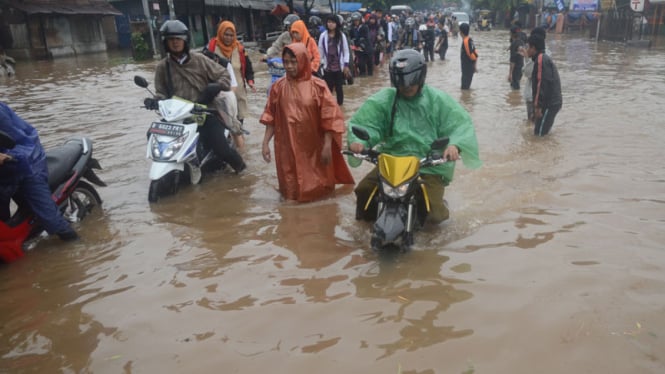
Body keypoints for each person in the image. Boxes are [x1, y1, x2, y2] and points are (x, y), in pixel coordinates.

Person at [347, 49, 481, 223]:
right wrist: (359, 141)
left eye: (411, 83)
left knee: (434, 214)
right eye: (402, 84)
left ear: (421, 77)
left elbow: (459, 125)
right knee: (364, 191)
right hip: (391, 164)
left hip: (426, 165)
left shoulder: (437, 100)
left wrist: (454, 145)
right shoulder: (386, 100)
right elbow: (368, 123)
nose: (407, 87)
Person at [260, 43, 354, 202]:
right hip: (287, 146)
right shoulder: (278, 87)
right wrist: (265, 143)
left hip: (314, 146)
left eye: (293, 62)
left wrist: (327, 145)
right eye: (286, 62)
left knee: (320, 187)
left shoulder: (318, 86)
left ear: (303, 60)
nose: (289, 66)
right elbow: (271, 117)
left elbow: (330, 117)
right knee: (290, 186)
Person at [153, 20, 245, 173]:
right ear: (165, 43)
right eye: (171, 39)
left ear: (185, 40)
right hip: (178, 118)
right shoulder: (162, 67)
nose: (175, 43)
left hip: (205, 113)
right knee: (154, 137)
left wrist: (216, 86)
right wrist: (154, 101)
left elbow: (224, 75)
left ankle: (241, 170)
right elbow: (160, 92)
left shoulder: (200, 60)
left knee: (222, 149)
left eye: (178, 39)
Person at [0, 102, 79, 241]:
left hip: (25, 161)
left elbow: (15, 140)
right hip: (4, 172)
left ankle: (77, 246)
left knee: (50, 218)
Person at [207, 20, 256, 151]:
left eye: (231, 35)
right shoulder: (211, 48)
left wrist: (250, 81)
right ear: (220, 33)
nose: (228, 38)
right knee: (221, 122)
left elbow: (248, 67)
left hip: (238, 91)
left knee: (238, 123)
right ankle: (226, 148)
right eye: (226, 34)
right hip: (219, 93)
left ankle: (241, 152)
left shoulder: (239, 49)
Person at [526, 34, 562, 136]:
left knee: (539, 135)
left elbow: (541, 83)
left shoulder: (541, 59)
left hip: (549, 104)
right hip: (549, 102)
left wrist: (538, 107)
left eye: (528, 47)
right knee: (541, 132)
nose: (527, 49)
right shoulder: (541, 58)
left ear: (533, 48)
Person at [318, 14, 351, 106]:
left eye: (333, 22)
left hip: (338, 67)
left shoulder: (341, 36)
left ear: (337, 24)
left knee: (339, 88)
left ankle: (340, 107)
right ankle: (329, 108)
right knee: (328, 89)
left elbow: (346, 51)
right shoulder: (323, 36)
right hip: (327, 67)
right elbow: (320, 51)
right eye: (329, 22)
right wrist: (320, 64)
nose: (330, 24)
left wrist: (346, 65)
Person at [459, 23, 478, 89]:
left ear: (461, 32)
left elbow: (471, 55)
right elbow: (476, 53)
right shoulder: (470, 40)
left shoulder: (466, 42)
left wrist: (473, 66)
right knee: (466, 89)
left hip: (467, 69)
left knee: (464, 89)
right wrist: (474, 66)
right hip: (469, 69)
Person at [508, 25, 524, 90]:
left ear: (511, 34)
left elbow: (513, 60)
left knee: (515, 88)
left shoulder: (514, 44)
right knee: (516, 85)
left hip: (515, 68)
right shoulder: (521, 42)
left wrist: (510, 74)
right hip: (521, 67)